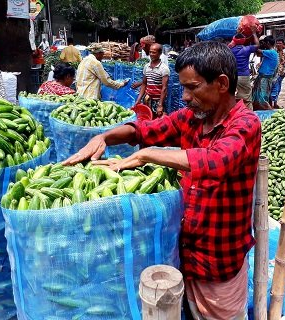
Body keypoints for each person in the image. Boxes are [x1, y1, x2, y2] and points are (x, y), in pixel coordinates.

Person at [63, 41, 261, 320]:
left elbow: (216, 161)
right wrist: (105, 137)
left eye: (192, 87)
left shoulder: (245, 124)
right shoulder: (191, 118)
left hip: (219, 259)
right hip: (185, 253)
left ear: (222, 83)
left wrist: (148, 156)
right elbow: (145, 129)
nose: (186, 97)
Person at [136, 43, 170, 118]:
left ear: (160, 53)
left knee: (158, 121)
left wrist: (160, 105)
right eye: (150, 52)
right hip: (147, 99)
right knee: (147, 119)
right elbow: (144, 84)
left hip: (157, 101)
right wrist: (138, 99)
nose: (151, 54)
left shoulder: (164, 69)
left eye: (154, 52)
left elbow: (164, 88)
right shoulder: (146, 67)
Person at [228, 28, 259, 110]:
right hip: (244, 76)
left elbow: (231, 43)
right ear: (243, 41)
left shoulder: (230, 50)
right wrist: (254, 33)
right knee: (247, 99)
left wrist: (235, 37)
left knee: (235, 98)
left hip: (233, 76)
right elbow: (257, 45)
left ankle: (236, 115)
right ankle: (249, 115)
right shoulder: (247, 49)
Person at [252, 36, 278, 110]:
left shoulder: (271, 52)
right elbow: (258, 54)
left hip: (265, 78)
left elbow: (258, 50)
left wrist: (254, 38)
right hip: (264, 77)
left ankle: (268, 112)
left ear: (268, 43)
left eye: (264, 43)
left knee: (262, 98)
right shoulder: (271, 52)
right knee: (259, 96)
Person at [270, 37, 285, 108]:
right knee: (274, 89)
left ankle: (275, 103)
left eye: (280, 43)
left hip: (281, 74)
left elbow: (283, 63)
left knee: (278, 89)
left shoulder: (283, 52)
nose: (278, 44)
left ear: (283, 45)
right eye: (277, 43)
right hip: (274, 74)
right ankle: (271, 104)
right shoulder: (274, 52)